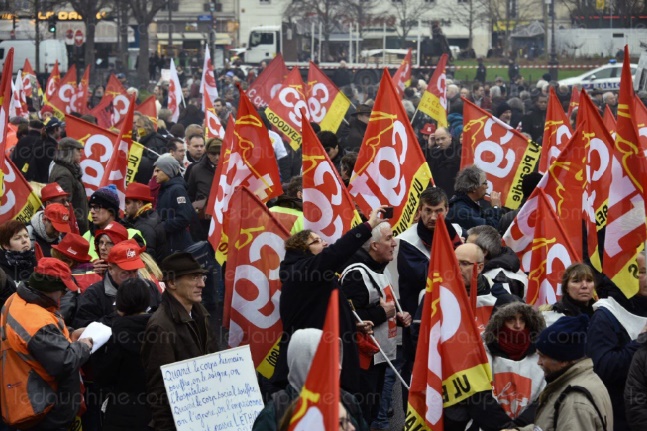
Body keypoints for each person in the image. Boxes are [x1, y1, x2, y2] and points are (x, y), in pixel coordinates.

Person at [273, 206, 386, 396]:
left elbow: (322, 310)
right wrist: (368, 226)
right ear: (303, 251)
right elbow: (336, 253)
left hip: (334, 368)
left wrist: (353, 324)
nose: (324, 243)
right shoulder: (302, 272)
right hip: (314, 372)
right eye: (316, 241)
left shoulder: (320, 275)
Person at [0, 258, 93, 430]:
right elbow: (64, 361)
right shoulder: (36, 321)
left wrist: (70, 333)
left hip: (24, 396)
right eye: (62, 290)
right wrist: (85, 345)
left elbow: (43, 342)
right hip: (45, 409)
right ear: (50, 289)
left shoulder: (16, 299)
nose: (64, 295)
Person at [340, 220, 412, 426]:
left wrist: (397, 317)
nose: (395, 243)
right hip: (365, 361)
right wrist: (383, 312)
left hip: (380, 357)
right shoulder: (356, 273)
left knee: (372, 413)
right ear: (374, 246)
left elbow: (384, 307)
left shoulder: (380, 269)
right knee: (361, 415)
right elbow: (349, 317)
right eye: (389, 239)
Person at [141, 252, 217, 430]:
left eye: (202, 277)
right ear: (172, 283)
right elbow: (159, 392)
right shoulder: (160, 327)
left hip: (204, 417)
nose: (202, 284)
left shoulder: (200, 313)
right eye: (194, 278)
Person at [502, 314, 613, 431]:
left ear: (563, 360)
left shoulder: (575, 403)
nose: (538, 362)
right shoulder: (576, 381)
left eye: (542, 357)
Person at [254, 328, 367, 431]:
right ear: (305, 363)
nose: (339, 367)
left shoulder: (348, 401)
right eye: (329, 359)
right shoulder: (275, 413)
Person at [587, 251, 647, 431]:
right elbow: (602, 368)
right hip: (621, 419)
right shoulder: (605, 315)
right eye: (640, 272)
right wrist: (639, 343)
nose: (645, 278)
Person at [94, 278, 153, 431]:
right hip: (156, 409)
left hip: (123, 411)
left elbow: (105, 375)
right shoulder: (160, 328)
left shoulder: (117, 333)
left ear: (120, 302)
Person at [73, 239, 160, 328]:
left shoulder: (150, 287)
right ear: (110, 269)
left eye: (135, 271)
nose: (133, 277)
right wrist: (119, 315)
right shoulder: (94, 294)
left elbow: (162, 318)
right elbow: (83, 328)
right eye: (125, 273)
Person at [154, 154, 196, 253]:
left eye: (158, 171)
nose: (155, 174)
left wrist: (162, 227)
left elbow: (184, 218)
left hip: (177, 245)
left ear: (168, 171)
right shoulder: (165, 188)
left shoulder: (177, 189)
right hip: (169, 243)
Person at [49, 137, 89, 233]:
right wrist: (81, 220)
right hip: (74, 229)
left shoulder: (66, 170)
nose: (81, 153)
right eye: (78, 150)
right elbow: (64, 206)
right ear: (69, 152)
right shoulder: (64, 175)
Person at [447, 165, 503, 230]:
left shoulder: (468, 205)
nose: (487, 187)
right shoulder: (462, 211)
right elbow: (489, 230)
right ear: (474, 187)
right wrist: (495, 207)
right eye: (485, 183)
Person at [124, 182, 168, 261]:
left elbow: (147, 260)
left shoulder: (145, 227)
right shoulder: (148, 217)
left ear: (139, 203)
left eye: (127, 202)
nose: (124, 207)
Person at [426, 126, 462, 198]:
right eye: (437, 140)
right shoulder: (435, 151)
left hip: (454, 194)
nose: (440, 142)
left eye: (443, 138)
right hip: (439, 195)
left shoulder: (460, 150)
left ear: (450, 137)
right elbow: (428, 169)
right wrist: (429, 147)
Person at [26, 117, 63, 183]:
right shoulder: (50, 148)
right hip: (43, 183)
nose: (61, 130)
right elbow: (49, 170)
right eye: (60, 128)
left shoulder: (41, 142)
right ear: (55, 129)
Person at [0, 220, 36, 285]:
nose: (24, 240)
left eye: (26, 236)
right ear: (6, 245)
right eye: (17, 238)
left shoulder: (38, 259)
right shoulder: (2, 271)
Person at [134, 114, 167, 184]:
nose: (136, 129)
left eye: (139, 127)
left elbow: (154, 162)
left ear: (147, 127)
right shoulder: (143, 139)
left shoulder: (155, 141)